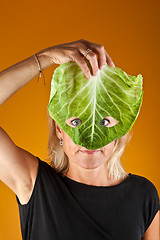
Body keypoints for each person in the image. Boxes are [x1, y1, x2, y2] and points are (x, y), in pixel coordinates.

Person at [0, 39, 159, 240]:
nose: (88, 137)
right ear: (59, 129)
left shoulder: (143, 195)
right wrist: (44, 58)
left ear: (121, 130)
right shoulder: (34, 184)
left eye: (104, 121)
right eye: (75, 122)